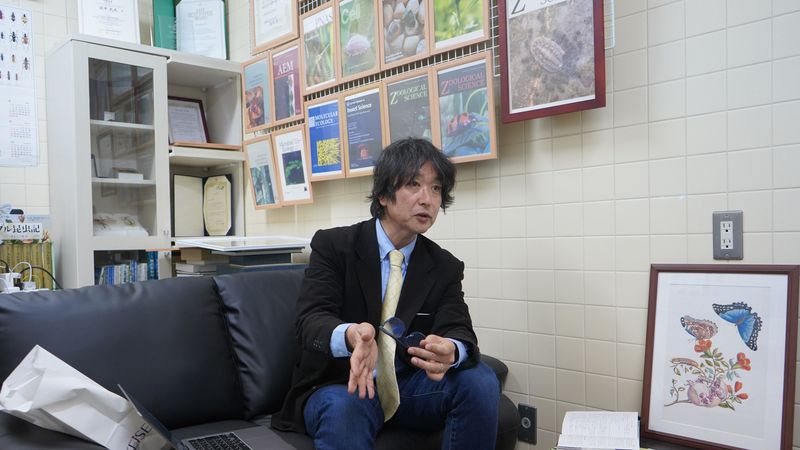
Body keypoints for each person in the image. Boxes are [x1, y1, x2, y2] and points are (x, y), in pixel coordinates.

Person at [273, 138, 500, 449]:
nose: (427, 200)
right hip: (342, 383)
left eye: (435, 188)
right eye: (413, 184)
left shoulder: (444, 266)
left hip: (410, 387)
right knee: (345, 410)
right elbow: (310, 321)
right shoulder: (334, 246)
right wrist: (352, 335)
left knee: (481, 380)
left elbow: (458, 328)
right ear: (383, 194)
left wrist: (451, 349)